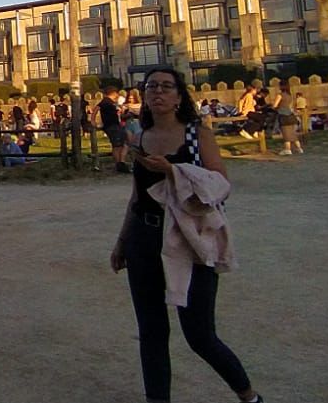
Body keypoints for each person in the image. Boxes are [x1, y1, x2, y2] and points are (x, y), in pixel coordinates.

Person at [109, 68, 263, 403]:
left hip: (188, 239)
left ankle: (248, 395)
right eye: (151, 87)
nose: (158, 93)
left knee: (200, 335)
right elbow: (137, 195)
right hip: (144, 238)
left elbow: (221, 185)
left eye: (166, 87)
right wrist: (122, 240)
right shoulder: (141, 136)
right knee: (152, 331)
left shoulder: (197, 135)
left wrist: (173, 171)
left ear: (180, 95)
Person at [100, 85, 129, 174]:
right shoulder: (106, 102)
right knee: (117, 145)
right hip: (112, 125)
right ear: (113, 93)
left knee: (121, 144)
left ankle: (121, 162)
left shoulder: (111, 102)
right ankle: (119, 163)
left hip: (115, 125)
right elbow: (96, 109)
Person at [275, 83, 303, 155]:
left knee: (286, 133)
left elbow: (275, 105)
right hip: (291, 115)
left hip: (283, 115)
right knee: (293, 133)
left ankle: (287, 149)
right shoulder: (290, 95)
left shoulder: (280, 95)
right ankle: (299, 148)